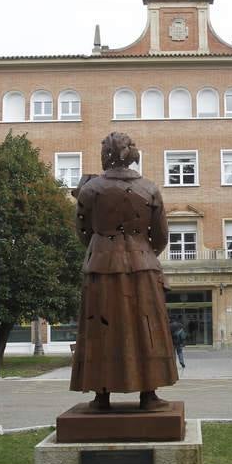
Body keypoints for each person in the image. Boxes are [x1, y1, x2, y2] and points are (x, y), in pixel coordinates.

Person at [69, 132, 178, 410]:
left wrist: (103, 247)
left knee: (101, 328)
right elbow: (162, 235)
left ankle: (101, 396)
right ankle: (148, 394)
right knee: (146, 327)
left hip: (101, 265)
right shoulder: (150, 188)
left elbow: (83, 231)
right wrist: (142, 251)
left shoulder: (90, 190)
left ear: (105, 154)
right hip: (143, 267)